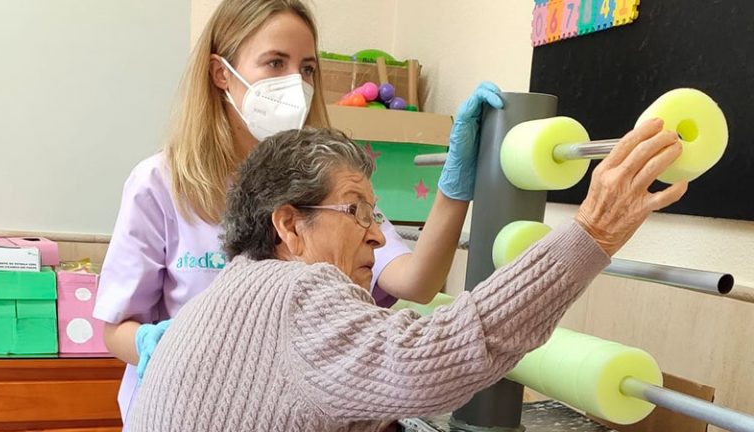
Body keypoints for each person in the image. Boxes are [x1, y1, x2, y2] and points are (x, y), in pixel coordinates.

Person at [92, 0, 502, 423]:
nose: (296, 84)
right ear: (221, 73)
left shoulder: (327, 181)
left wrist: (454, 189)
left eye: (307, 69)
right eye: (274, 63)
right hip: (186, 411)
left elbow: (417, 281)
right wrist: (156, 342)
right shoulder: (161, 183)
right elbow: (115, 327)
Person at [128, 123, 686, 431]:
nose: (376, 235)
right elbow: (443, 355)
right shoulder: (295, 292)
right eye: (357, 212)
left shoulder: (233, 287)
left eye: (377, 216)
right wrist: (590, 233)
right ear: (289, 227)